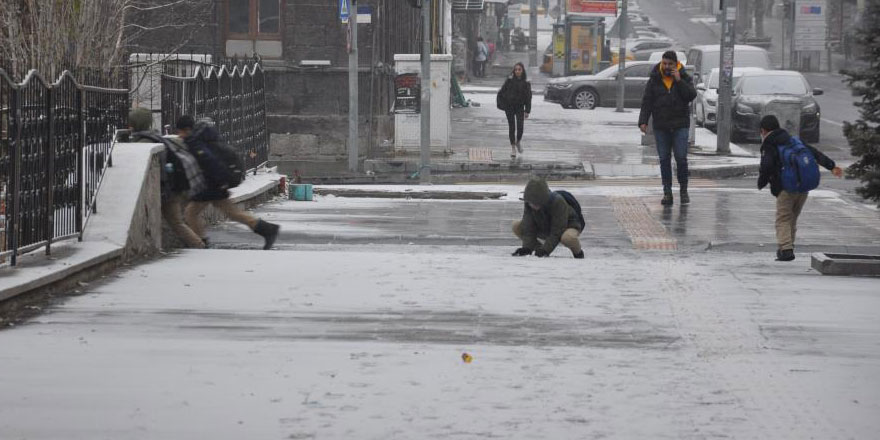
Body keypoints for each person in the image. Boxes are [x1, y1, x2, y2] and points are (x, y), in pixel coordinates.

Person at [175, 115, 280, 250]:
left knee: (191, 213)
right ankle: (267, 229)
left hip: (212, 185)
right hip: (214, 184)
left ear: (187, 129)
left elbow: (210, 162)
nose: (179, 135)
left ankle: (200, 242)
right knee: (232, 213)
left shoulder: (196, 142)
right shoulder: (200, 139)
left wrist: (220, 182)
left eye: (180, 132)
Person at [757, 115, 842, 262]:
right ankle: (788, 247)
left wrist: (761, 182)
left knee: (783, 218)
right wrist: (832, 166)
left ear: (763, 130)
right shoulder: (793, 139)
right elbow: (814, 153)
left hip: (786, 187)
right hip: (803, 186)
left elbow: (767, 165)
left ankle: (785, 249)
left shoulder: (770, 144)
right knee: (792, 218)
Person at [128, 107, 206, 249]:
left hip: (168, 190)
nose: (129, 126)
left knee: (176, 222)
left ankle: (200, 245)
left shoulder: (145, 142)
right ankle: (198, 243)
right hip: (172, 188)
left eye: (131, 123)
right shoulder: (155, 137)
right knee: (179, 220)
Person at [638, 50, 697, 206]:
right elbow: (647, 101)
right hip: (661, 125)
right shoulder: (655, 78)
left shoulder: (683, 76)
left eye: (670, 64)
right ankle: (667, 192)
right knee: (664, 159)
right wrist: (643, 121)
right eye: (664, 63)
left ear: (676, 64)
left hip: (680, 125)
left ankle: (683, 190)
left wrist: (679, 81)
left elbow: (691, 95)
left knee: (681, 158)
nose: (666, 67)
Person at [511, 178, 584, 259]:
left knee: (567, 238)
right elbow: (528, 226)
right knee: (516, 226)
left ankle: (578, 253)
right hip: (545, 227)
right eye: (531, 203)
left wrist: (546, 250)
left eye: (536, 203)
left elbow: (558, 230)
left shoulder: (558, 201)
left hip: (567, 226)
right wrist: (527, 248)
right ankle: (539, 249)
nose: (533, 206)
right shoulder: (528, 203)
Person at [497, 62, 531, 158]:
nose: (517, 71)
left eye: (519, 69)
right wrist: (503, 103)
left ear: (522, 70)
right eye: (516, 69)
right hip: (510, 107)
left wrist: (527, 110)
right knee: (512, 127)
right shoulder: (509, 80)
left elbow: (528, 98)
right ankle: (513, 148)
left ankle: (518, 141)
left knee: (520, 127)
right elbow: (502, 92)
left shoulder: (526, 83)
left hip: (520, 107)